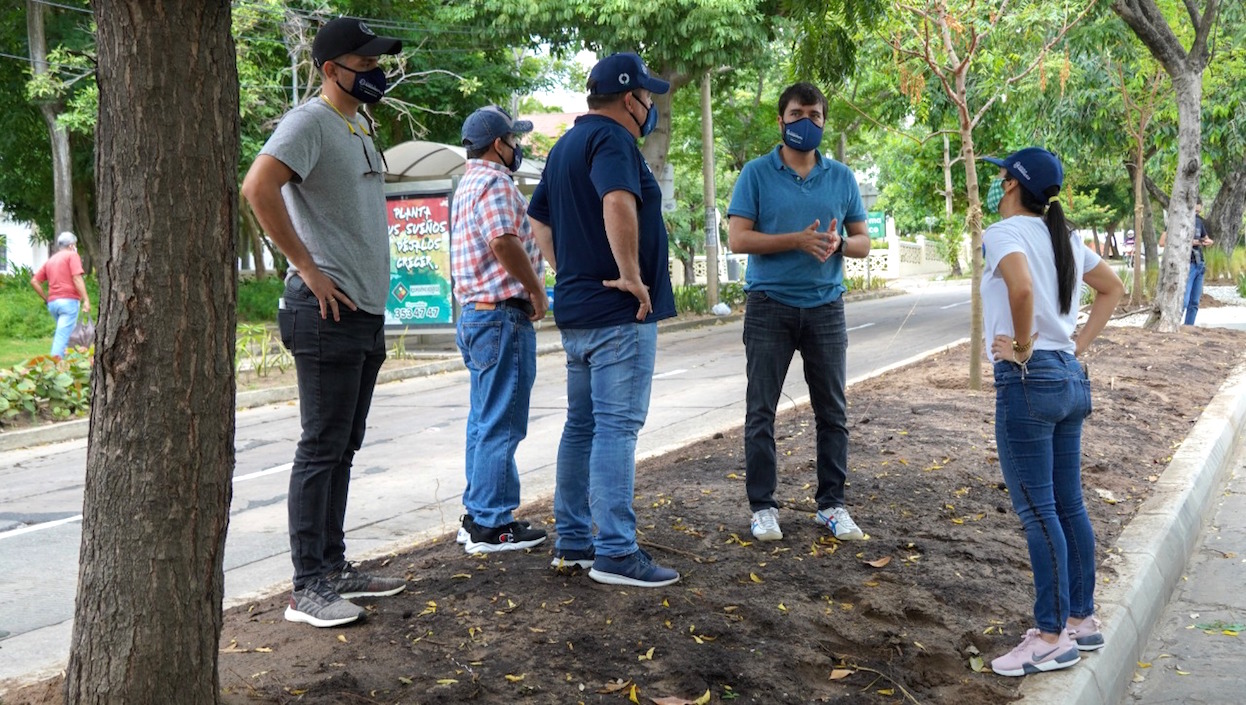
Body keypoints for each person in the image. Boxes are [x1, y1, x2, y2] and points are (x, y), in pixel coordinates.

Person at [240, 17, 406, 628]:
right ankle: (307, 585)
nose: (374, 72)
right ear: (330, 68)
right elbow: (257, 187)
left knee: (343, 445)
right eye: (363, 63)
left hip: (363, 310)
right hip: (324, 311)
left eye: (376, 62)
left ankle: (333, 568)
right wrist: (306, 268)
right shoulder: (308, 121)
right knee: (320, 447)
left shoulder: (358, 123)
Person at [527, 52, 680, 588]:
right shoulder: (614, 140)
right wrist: (631, 274)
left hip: (579, 310)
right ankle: (615, 551)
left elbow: (538, 219)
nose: (651, 107)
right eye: (648, 98)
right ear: (628, 98)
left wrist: (569, 267)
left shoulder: (565, 145)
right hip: (620, 310)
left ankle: (573, 541)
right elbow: (618, 200)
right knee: (616, 427)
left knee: (582, 426)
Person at [979, 147, 1124, 677]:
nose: (997, 184)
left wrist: (1021, 345)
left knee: (1039, 511)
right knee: (1068, 506)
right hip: (1067, 375)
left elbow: (1020, 287)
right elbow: (1113, 288)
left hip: (1028, 379)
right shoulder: (1064, 235)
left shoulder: (1004, 234)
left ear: (1012, 185)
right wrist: (1075, 345)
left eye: (1001, 176)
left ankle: (1048, 637)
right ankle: (1080, 622)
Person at [726, 82, 870, 544]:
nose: (805, 122)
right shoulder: (755, 173)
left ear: (824, 122)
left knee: (833, 411)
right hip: (769, 305)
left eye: (814, 114)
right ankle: (763, 508)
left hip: (826, 307)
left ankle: (831, 506)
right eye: (796, 113)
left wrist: (840, 244)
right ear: (781, 120)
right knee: (760, 412)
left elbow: (863, 242)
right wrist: (796, 239)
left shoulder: (842, 178)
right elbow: (738, 239)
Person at [451, 105, 549, 554]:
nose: (518, 148)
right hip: (501, 315)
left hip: (476, 314)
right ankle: (493, 524)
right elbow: (502, 241)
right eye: (514, 141)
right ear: (498, 145)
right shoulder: (494, 182)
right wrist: (536, 290)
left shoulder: (467, 183)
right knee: (502, 422)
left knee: (483, 420)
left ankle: (476, 517)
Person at [30, 232, 91, 358]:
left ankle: (72, 364)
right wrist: (86, 299)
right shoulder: (72, 255)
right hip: (68, 302)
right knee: (62, 336)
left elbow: (34, 281)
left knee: (70, 334)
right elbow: (76, 278)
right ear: (71, 245)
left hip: (53, 303)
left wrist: (46, 298)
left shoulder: (51, 260)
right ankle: (54, 368)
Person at [1183, 199, 1214, 325]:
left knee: (1194, 302)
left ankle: (1189, 326)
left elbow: (1206, 238)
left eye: (1198, 211)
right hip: (1188, 263)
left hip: (1199, 263)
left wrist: (1208, 242)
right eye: (1194, 211)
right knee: (1184, 300)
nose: (1196, 214)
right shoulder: (1180, 221)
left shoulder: (1199, 222)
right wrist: (1195, 242)